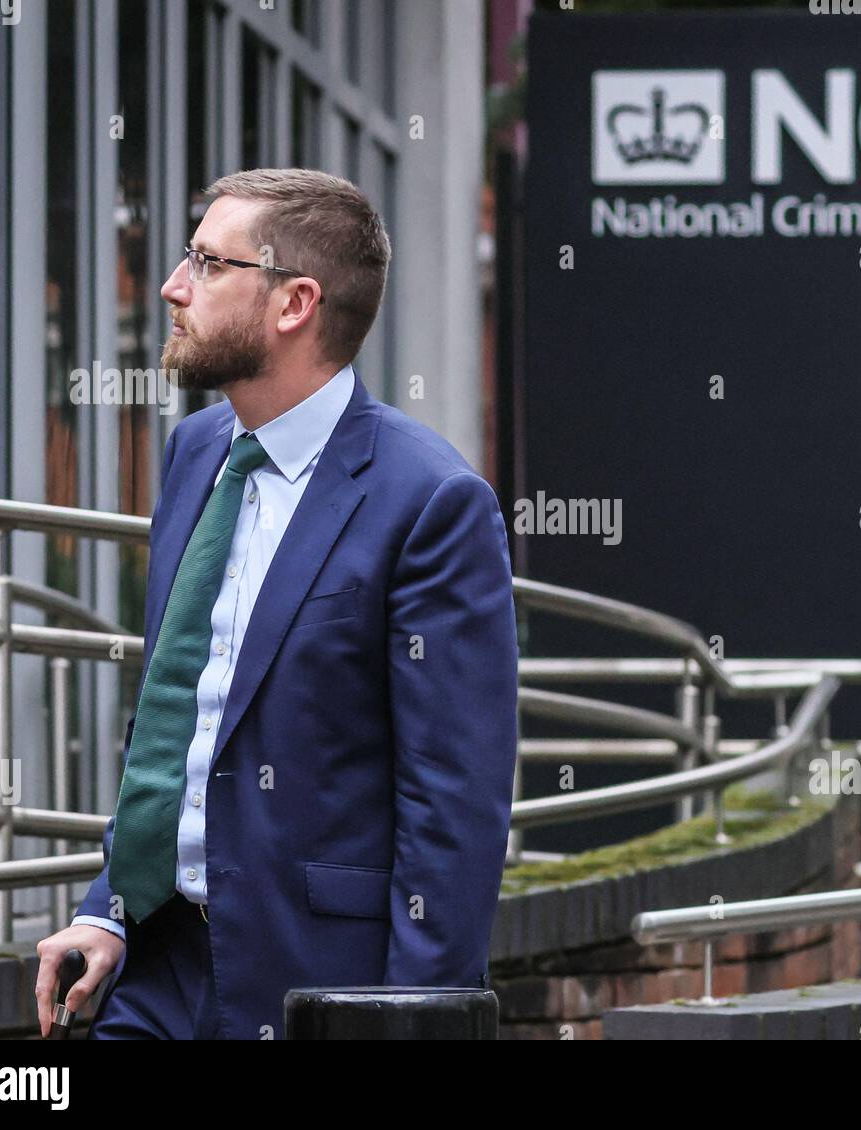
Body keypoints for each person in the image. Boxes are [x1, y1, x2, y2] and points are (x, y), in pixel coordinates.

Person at [34, 168, 519, 1039]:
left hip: (313, 989)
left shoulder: (431, 502)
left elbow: (453, 806)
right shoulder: (194, 453)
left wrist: (410, 1020)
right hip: (152, 972)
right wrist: (108, 908)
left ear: (295, 303)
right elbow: (178, 709)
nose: (175, 287)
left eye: (209, 265)